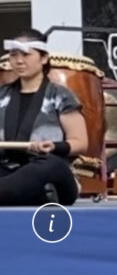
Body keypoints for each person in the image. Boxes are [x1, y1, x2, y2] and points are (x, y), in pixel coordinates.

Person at [0, 29, 88, 206]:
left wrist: (54, 146)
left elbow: (81, 143)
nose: (18, 61)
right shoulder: (2, 95)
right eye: (13, 55)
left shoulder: (61, 95)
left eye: (26, 55)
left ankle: (24, 192)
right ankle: (32, 195)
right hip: (7, 171)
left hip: (46, 170)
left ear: (44, 58)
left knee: (51, 165)